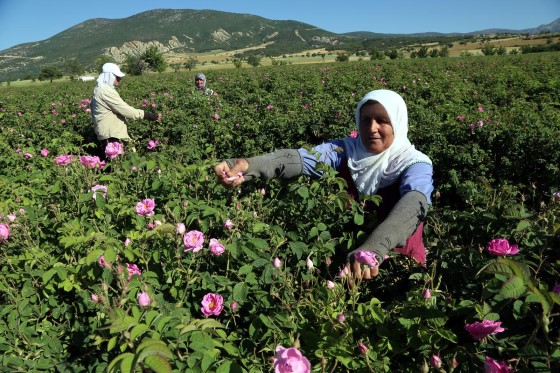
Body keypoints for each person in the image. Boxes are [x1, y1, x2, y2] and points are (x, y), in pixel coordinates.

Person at [214, 89, 433, 280]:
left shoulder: (415, 163)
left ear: (397, 122)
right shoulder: (345, 150)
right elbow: (298, 159)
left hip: (401, 266)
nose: (372, 128)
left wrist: (374, 248)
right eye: (365, 120)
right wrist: (247, 165)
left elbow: (414, 204)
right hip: (347, 265)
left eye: (382, 120)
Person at [91, 62, 162, 156]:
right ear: (109, 76)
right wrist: (150, 115)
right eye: (117, 77)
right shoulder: (105, 91)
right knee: (124, 162)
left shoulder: (100, 89)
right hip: (112, 134)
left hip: (111, 132)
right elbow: (126, 110)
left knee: (125, 161)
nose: (119, 79)